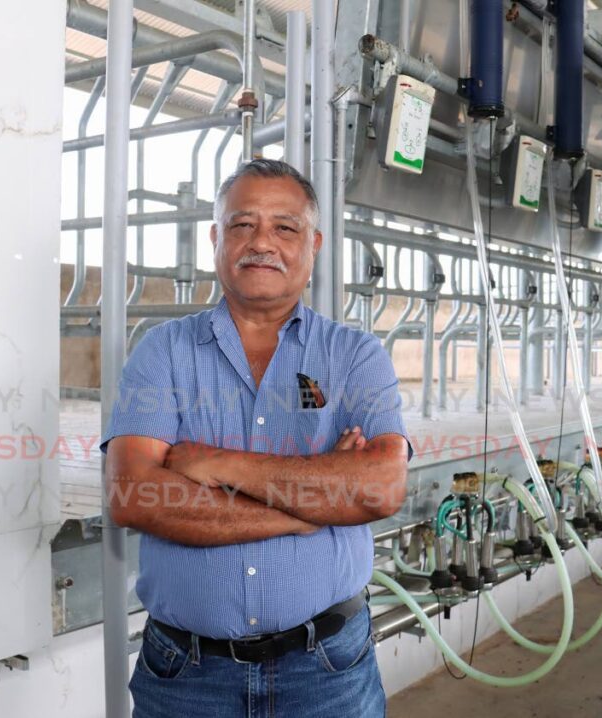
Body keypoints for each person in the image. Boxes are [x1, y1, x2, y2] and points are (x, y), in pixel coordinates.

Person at [102, 159, 411, 717]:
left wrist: (215, 463)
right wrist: (314, 507)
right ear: (216, 239)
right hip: (186, 678)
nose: (261, 242)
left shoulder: (354, 356)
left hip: (327, 673)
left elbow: (380, 489)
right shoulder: (163, 352)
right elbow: (135, 495)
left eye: (284, 227)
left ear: (313, 244)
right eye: (242, 225)